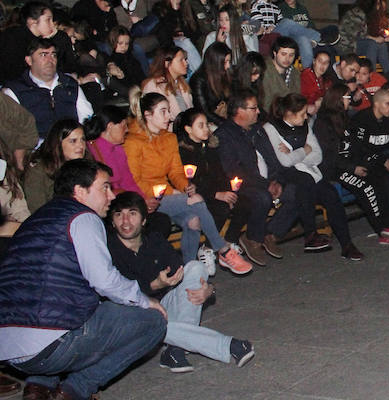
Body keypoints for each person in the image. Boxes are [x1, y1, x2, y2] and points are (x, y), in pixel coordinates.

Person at [0, 158, 167, 400]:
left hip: (9, 347)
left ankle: (39, 386)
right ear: (79, 191)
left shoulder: (37, 219)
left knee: (77, 302)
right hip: (48, 346)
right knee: (153, 322)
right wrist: (145, 300)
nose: (112, 195)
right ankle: (76, 390)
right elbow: (105, 281)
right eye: (104, 188)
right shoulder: (83, 218)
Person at [107, 192, 255, 373]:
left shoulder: (153, 240)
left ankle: (175, 349)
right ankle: (229, 345)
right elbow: (116, 294)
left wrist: (209, 290)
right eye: (118, 215)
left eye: (132, 214)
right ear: (112, 222)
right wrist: (153, 286)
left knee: (195, 267)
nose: (125, 221)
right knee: (152, 320)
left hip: (164, 307)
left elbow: (181, 272)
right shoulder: (108, 250)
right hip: (133, 317)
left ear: (144, 220)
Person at [123, 91, 251, 274]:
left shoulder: (168, 138)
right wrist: (174, 193)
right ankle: (223, 250)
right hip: (145, 197)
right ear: (148, 115)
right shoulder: (133, 142)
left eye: (168, 111)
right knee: (197, 201)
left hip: (167, 195)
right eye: (163, 111)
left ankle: (188, 271)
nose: (169, 116)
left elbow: (176, 171)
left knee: (193, 221)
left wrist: (185, 187)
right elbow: (134, 181)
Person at [215, 89, 330, 258]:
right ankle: (253, 238)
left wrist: (278, 182)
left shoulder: (256, 130)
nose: (259, 111)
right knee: (263, 197)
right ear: (239, 111)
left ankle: (270, 233)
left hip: (266, 180)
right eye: (254, 108)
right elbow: (235, 171)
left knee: (299, 192)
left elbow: (272, 160)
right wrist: (267, 185)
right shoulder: (225, 135)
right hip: (244, 184)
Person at [263, 94, 365, 260]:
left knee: (330, 194)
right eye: (302, 113)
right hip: (283, 175)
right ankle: (310, 234)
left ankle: (347, 244)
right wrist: (304, 150)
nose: (306, 117)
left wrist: (296, 153)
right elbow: (284, 161)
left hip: (308, 172)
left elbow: (317, 155)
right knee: (304, 183)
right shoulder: (271, 128)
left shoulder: (305, 125)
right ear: (289, 113)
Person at [315, 85, 389, 245]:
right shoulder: (323, 123)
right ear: (337, 99)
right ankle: (382, 230)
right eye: (346, 97)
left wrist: (374, 160)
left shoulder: (345, 119)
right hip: (336, 169)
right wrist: (353, 168)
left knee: (384, 177)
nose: (349, 100)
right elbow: (328, 156)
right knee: (366, 188)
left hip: (352, 162)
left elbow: (358, 145)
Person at [176, 108, 253, 261]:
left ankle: (231, 240)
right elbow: (194, 182)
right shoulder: (184, 152)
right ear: (188, 129)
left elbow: (220, 173)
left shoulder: (210, 148)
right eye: (201, 125)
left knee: (245, 201)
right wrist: (217, 194)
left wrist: (228, 192)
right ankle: (208, 248)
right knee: (220, 208)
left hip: (216, 191)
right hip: (199, 195)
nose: (207, 129)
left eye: (207, 124)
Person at [84, 106, 172, 241]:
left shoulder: (119, 149)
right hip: (109, 206)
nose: (126, 130)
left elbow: (129, 181)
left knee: (161, 221)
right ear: (110, 127)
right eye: (124, 126)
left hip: (127, 202)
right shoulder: (92, 150)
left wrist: (144, 201)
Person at [3, 38, 93, 140]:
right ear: (29, 60)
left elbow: (86, 119)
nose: (50, 60)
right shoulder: (16, 91)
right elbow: (13, 133)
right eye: (43, 55)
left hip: (70, 145)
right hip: (36, 150)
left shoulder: (70, 85)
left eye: (53, 55)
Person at [22, 119, 86, 213]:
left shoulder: (87, 167)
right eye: (73, 141)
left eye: (83, 139)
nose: (81, 145)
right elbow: (37, 211)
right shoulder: (38, 172)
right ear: (58, 143)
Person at [150, 0, 201, 76]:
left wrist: (183, 34)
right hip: (167, 44)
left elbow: (195, 31)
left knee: (186, 42)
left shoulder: (187, 8)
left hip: (185, 43)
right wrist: (172, 10)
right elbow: (163, 31)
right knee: (185, 43)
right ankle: (200, 75)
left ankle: (198, 75)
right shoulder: (159, 8)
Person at [141, 45, 194, 126]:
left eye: (185, 59)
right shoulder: (154, 86)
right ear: (167, 63)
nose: (186, 63)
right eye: (181, 60)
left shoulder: (181, 83)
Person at [189, 41, 233, 127]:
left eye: (229, 61)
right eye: (225, 62)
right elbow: (204, 112)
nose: (228, 66)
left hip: (224, 115)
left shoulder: (224, 73)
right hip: (209, 122)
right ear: (215, 63)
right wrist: (228, 125)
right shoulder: (198, 80)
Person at [259, 36, 300, 113]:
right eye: (283, 54)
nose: (287, 59)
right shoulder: (264, 71)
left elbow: (297, 98)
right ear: (275, 53)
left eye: (291, 55)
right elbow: (265, 104)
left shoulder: (295, 73)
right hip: (271, 116)